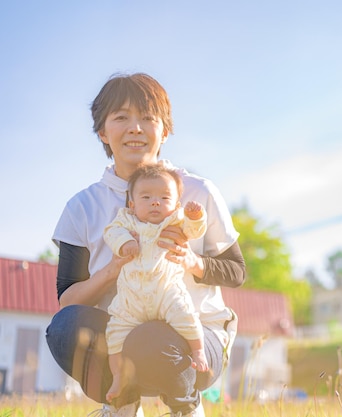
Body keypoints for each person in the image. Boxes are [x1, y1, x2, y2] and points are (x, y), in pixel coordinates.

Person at [46, 73, 246, 417]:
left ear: (165, 131)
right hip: (121, 332)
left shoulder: (199, 192)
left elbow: (237, 272)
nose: (135, 128)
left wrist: (192, 262)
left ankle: (185, 406)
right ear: (103, 132)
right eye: (121, 117)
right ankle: (121, 405)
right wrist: (112, 270)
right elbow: (68, 301)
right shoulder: (82, 207)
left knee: (150, 339)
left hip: (194, 334)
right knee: (65, 328)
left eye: (147, 118)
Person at [104, 164, 210, 403]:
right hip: (131, 299)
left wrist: (195, 217)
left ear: (176, 205)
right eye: (146, 197)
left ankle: (198, 350)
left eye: (164, 197)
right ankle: (119, 376)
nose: (155, 202)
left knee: (185, 314)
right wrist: (123, 243)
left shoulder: (174, 221)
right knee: (115, 333)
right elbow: (111, 231)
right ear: (132, 205)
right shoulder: (127, 221)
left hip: (166, 292)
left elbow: (194, 231)